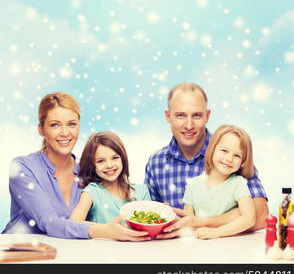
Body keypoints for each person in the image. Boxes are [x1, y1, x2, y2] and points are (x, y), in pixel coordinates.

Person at [2, 92, 150, 241]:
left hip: (65, 256)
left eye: (72, 124)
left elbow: (110, 203)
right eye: (55, 125)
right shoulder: (22, 168)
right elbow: (49, 222)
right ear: (41, 129)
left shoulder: (88, 170)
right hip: (18, 252)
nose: (65, 133)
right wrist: (103, 230)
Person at [144, 82, 269, 238]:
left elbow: (260, 215)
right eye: (180, 115)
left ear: (207, 116)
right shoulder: (156, 163)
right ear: (168, 116)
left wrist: (202, 223)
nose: (189, 125)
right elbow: (150, 218)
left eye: (197, 115)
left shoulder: (228, 155)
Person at [182, 124, 256, 239]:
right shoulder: (192, 185)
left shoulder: (238, 183)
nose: (229, 159)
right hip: (199, 244)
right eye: (224, 151)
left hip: (229, 247)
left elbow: (249, 218)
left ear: (243, 161)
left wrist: (215, 233)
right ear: (212, 149)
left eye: (237, 155)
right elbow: (189, 222)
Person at [70, 131, 151, 224]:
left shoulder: (142, 191)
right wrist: (106, 230)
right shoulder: (92, 192)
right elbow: (73, 224)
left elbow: (150, 224)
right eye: (100, 161)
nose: (109, 165)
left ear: (122, 158)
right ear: (92, 165)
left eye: (115, 158)